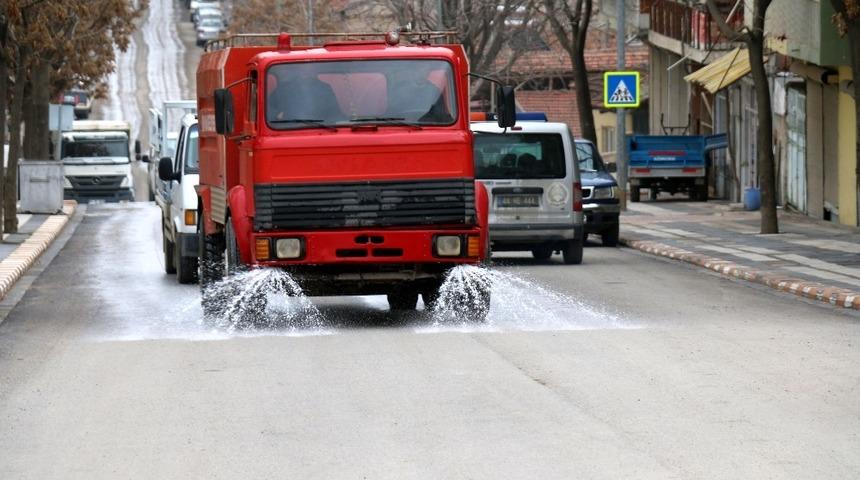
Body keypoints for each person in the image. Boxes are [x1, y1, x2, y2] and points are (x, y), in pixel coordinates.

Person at [267, 66, 344, 124]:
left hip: (322, 128)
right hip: (289, 129)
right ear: (298, 71)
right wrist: (281, 116)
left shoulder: (325, 88)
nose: (305, 73)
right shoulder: (283, 89)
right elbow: (269, 112)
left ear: (315, 72)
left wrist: (347, 122)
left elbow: (334, 112)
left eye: (309, 70)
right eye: (303, 69)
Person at [386, 62, 452, 124]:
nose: (421, 71)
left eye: (424, 68)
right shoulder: (399, 90)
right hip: (403, 126)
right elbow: (391, 114)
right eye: (418, 68)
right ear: (412, 70)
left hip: (428, 127)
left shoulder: (434, 91)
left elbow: (441, 116)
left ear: (428, 71)